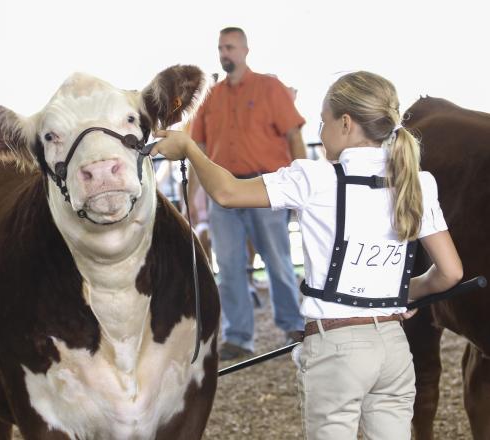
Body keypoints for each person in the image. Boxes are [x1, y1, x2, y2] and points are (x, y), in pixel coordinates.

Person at [152, 71, 463, 439]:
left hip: (337, 350)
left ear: (345, 123)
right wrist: (400, 294)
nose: (320, 130)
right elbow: (450, 273)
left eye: (323, 121)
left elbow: (228, 192)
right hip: (393, 346)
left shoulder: (314, 178)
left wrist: (189, 148)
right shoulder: (418, 182)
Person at [190, 27, 306, 360]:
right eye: (220, 48)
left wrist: (301, 187)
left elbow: (295, 138)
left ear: (244, 50)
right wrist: (196, 200)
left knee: (278, 260)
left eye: (230, 47)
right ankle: (238, 337)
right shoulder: (210, 95)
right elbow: (198, 148)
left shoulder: (270, 88)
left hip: (266, 187)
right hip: (222, 192)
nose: (224, 53)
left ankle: (293, 326)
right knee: (228, 265)